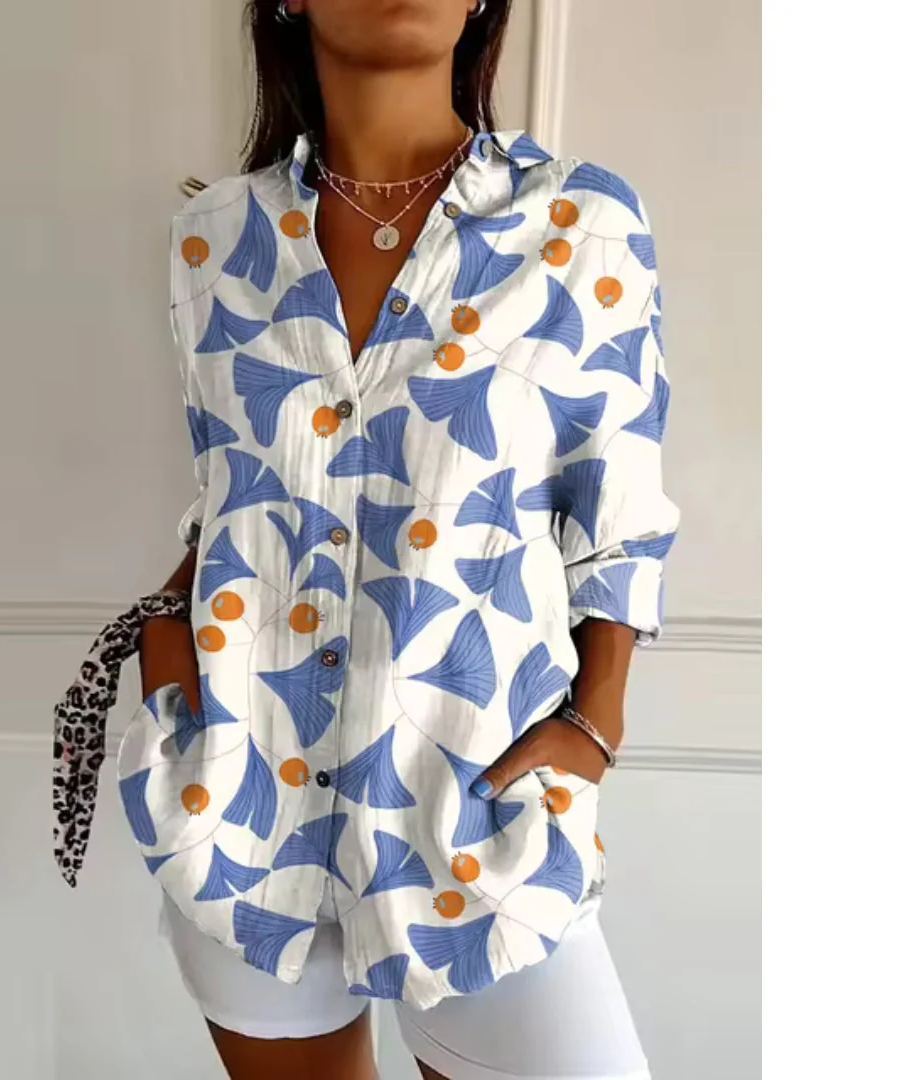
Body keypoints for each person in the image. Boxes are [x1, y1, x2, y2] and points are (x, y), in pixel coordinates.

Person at [56, 1, 679, 1077]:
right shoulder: (214, 242)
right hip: (243, 799)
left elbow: (618, 509)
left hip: (477, 806)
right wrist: (167, 642)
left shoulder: (582, 223)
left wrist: (599, 720)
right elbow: (232, 487)